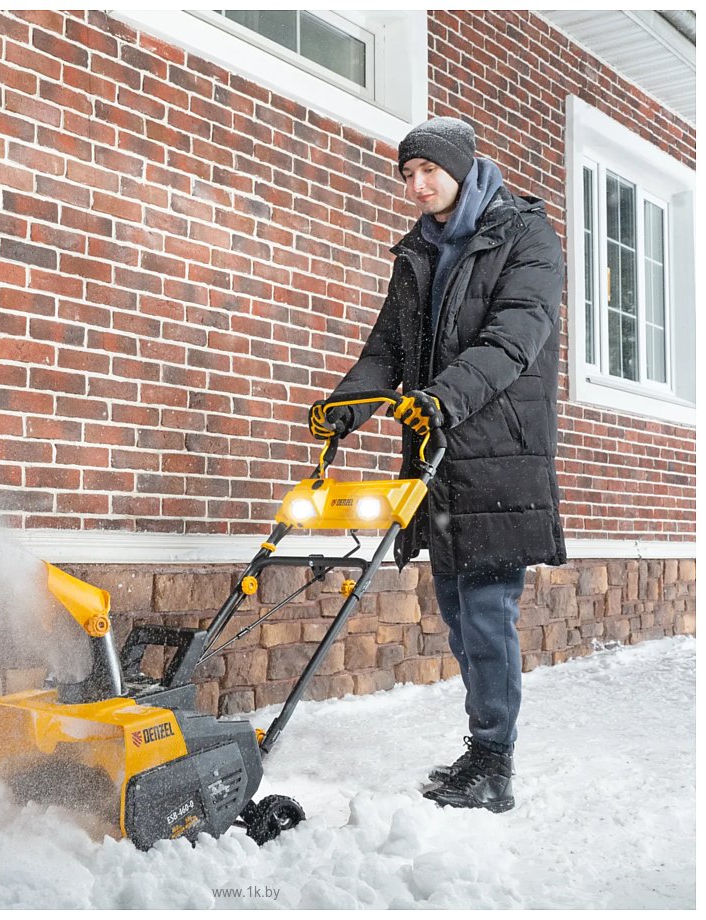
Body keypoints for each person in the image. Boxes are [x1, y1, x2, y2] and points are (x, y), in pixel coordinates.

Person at [308, 116, 566, 813]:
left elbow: (515, 339)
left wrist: (441, 401)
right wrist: (347, 406)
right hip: (438, 458)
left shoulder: (526, 237)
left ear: (463, 166)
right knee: (459, 613)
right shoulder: (417, 252)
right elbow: (386, 349)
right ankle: (484, 748)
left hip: (496, 453)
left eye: (429, 171)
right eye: (407, 174)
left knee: (486, 614)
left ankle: (494, 766)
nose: (417, 186)